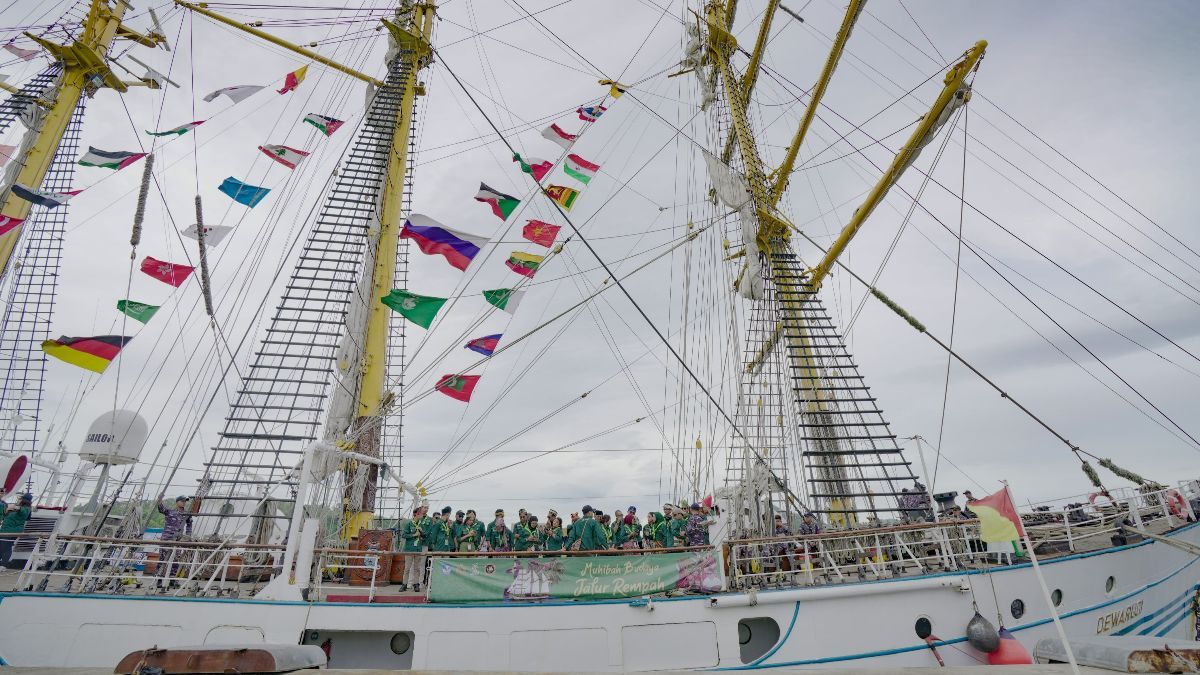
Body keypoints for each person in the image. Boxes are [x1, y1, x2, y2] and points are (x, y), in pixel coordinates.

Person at [157, 495, 195, 586]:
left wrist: (188, 535)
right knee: (162, 559)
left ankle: (172, 579)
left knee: (176, 559)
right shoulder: (170, 512)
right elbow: (161, 508)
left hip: (178, 539)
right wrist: (159, 500)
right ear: (177, 502)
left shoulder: (186, 514)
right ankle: (159, 579)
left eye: (185, 501)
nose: (184, 503)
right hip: (167, 538)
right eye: (182, 501)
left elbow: (189, 524)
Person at [399, 504, 429, 591]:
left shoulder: (421, 525)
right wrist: (413, 535)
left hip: (418, 549)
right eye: (420, 513)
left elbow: (424, 537)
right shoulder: (409, 523)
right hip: (409, 549)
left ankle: (416, 584)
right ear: (416, 514)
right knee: (407, 568)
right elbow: (403, 535)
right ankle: (404, 584)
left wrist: (422, 532)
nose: (422, 515)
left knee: (417, 568)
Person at [0, 494, 32, 565]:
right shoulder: (18, 509)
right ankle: (2, 564)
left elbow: (23, 512)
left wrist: (16, 507)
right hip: (5, 530)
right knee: (3, 546)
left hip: (11, 531)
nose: (18, 500)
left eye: (20, 499)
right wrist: (8, 509)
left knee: (6, 547)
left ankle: (3, 564)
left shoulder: (26, 509)